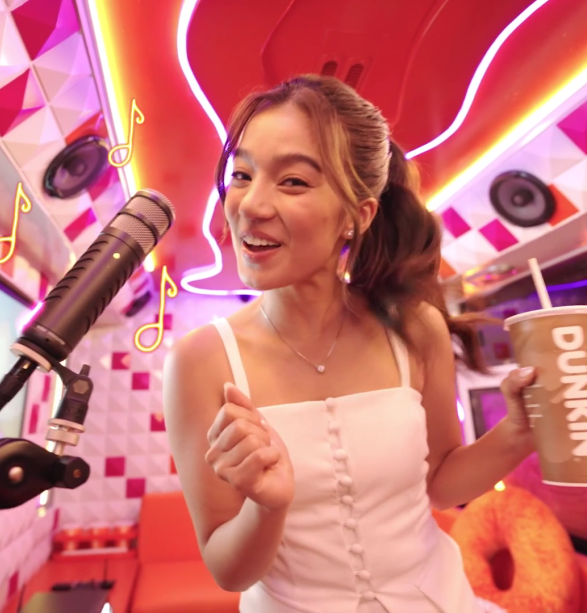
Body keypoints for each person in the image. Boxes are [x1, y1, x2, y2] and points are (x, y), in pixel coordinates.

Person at [164, 74, 536, 613]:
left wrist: (520, 432)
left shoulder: (416, 329)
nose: (251, 204)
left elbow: (440, 483)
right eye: (241, 175)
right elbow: (228, 569)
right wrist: (266, 507)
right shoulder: (198, 362)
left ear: (356, 217)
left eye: (293, 181)